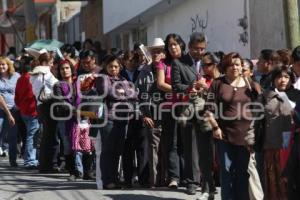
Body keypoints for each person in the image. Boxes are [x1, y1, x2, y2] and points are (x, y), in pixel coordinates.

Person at [204, 52, 261, 200]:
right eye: (231, 64)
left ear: (242, 66)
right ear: (225, 66)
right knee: (227, 171)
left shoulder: (251, 85)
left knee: (242, 172)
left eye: (237, 64)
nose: (234, 67)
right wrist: (215, 127)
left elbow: (259, 108)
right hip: (224, 135)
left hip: (246, 136)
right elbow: (208, 109)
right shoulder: (217, 84)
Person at [171, 32, 214, 199]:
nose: (200, 52)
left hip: (206, 110)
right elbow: (176, 87)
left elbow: (216, 80)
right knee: (190, 147)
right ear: (189, 47)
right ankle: (191, 182)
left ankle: (207, 183)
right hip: (187, 110)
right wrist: (192, 86)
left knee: (207, 148)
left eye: (202, 48)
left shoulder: (208, 61)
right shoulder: (178, 63)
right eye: (196, 49)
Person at [94, 55, 137, 189]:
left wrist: (122, 93)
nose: (113, 69)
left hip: (123, 119)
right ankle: (108, 180)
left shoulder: (124, 80)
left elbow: (134, 95)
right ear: (106, 67)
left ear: (120, 67)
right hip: (108, 118)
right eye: (110, 66)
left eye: (116, 66)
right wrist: (124, 94)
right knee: (108, 150)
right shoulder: (103, 78)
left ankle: (115, 179)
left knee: (117, 151)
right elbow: (107, 92)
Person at [261, 65, 295, 200]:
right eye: (279, 77)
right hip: (272, 144)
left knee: (290, 180)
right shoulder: (265, 96)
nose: (283, 80)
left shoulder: (297, 95)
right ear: (273, 79)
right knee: (272, 179)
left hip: (292, 146)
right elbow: (256, 120)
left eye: (286, 77)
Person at [156, 34, 185, 189]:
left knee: (186, 142)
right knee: (172, 143)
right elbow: (160, 84)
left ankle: (188, 176)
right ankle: (174, 177)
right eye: (170, 45)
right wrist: (181, 90)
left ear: (181, 45)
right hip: (169, 108)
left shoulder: (187, 62)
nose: (173, 47)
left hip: (187, 107)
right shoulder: (163, 63)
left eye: (175, 44)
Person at [30, 52, 59, 173]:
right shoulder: (45, 74)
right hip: (47, 105)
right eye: (51, 62)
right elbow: (55, 87)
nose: (52, 65)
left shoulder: (35, 74)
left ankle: (44, 165)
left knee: (46, 136)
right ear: (45, 63)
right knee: (49, 136)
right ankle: (47, 165)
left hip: (41, 106)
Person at [15, 56, 39, 169]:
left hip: (23, 111)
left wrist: (20, 106)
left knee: (28, 135)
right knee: (31, 135)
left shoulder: (20, 79)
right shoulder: (32, 79)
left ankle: (27, 158)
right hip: (32, 110)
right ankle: (30, 160)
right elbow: (34, 95)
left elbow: (17, 96)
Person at [0, 57, 20, 167]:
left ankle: (13, 160)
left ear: (8, 65)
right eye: (0, 65)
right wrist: (8, 114)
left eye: (3, 64)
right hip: (1, 109)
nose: (1, 67)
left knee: (13, 136)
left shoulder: (16, 76)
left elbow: (22, 90)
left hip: (14, 109)